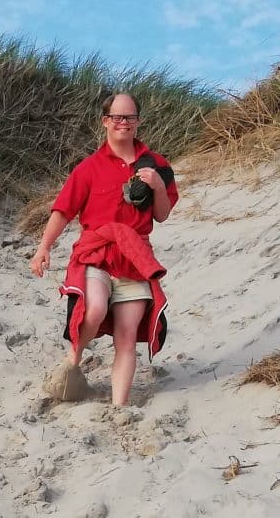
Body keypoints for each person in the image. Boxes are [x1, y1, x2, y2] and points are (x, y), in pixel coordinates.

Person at [29, 91, 178, 406]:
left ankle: (119, 407)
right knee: (94, 308)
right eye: (117, 117)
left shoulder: (157, 165)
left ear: (138, 121)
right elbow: (63, 211)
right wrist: (43, 248)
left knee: (127, 336)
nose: (124, 122)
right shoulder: (89, 168)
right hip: (96, 253)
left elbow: (162, 214)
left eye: (130, 117)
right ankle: (73, 360)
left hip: (135, 257)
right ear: (105, 121)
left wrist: (157, 186)